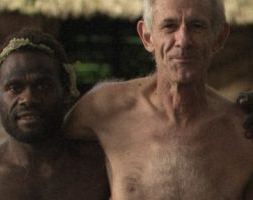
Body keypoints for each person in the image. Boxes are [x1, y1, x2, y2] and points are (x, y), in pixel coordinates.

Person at [64, 0, 253, 199]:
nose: (183, 40)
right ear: (147, 37)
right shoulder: (104, 110)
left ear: (219, 37)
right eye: (169, 26)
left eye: (197, 26)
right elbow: (39, 153)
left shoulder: (242, 133)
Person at [0, 29, 109, 200]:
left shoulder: (103, 170)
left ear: (66, 93)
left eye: (42, 85)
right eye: (14, 88)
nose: (28, 99)